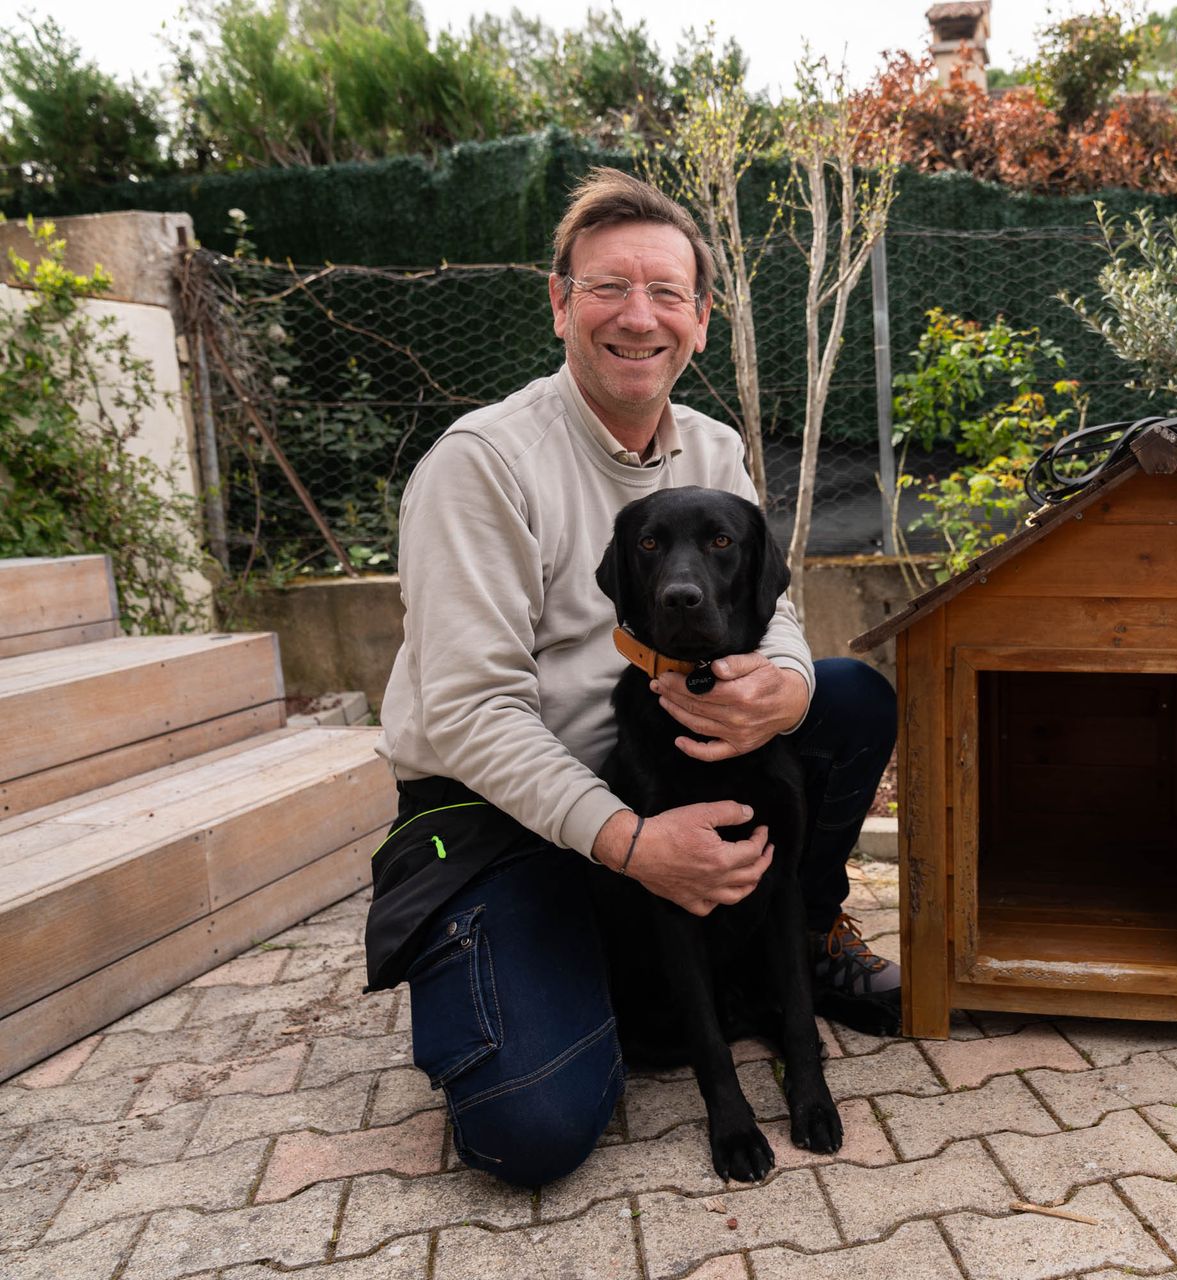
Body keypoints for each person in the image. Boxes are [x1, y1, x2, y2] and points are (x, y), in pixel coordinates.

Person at [364, 168, 899, 1188]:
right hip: (503, 815)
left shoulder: (713, 446)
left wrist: (782, 687)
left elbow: (772, 610)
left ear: (700, 319)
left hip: (657, 752)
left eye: (667, 293)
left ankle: (796, 930)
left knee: (851, 695)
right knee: (532, 1129)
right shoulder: (481, 462)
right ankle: (570, 973)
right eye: (609, 286)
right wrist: (633, 843)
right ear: (560, 300)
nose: (638, 316)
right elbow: (470, 714)